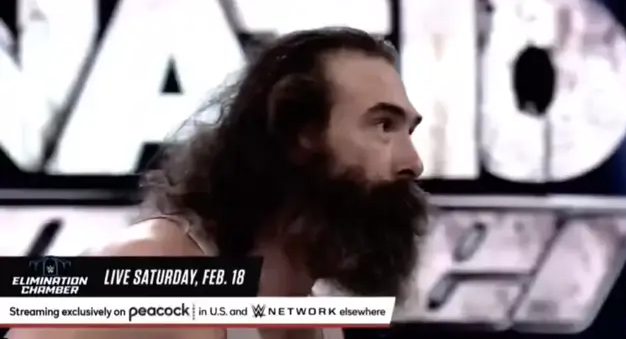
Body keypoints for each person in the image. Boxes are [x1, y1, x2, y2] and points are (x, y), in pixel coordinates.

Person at [9, 27, 429, 339]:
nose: (414, 163)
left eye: (408, 131)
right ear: (298, 135)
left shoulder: (314, 319)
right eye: (383, 125)